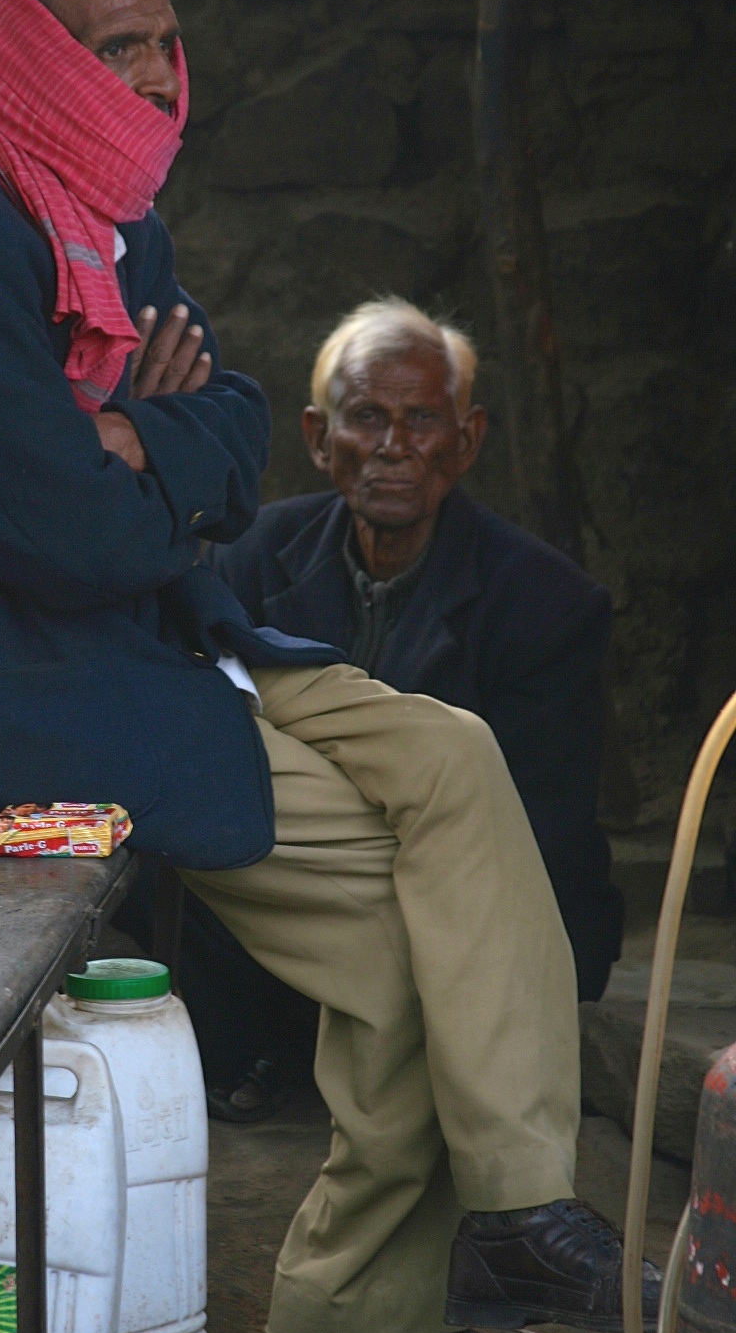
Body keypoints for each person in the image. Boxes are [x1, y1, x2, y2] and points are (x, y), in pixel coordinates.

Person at [0, 0, 658, 1333]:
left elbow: (238, 419)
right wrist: (150, 451)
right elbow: (61, 544)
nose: (154, 76)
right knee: (419, 958)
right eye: (113, 46)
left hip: (173, 631)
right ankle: (368, 1311)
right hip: (42, 691)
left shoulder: (105, 201)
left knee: (453, 756)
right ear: (26, 55)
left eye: (162, 39)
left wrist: (142, 439)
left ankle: (524, 1213)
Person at [191, 298, 626, 1119]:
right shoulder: (250, 559)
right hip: (307, 890)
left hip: (470, 892)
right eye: (367, 418)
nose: (393, 447)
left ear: (466, 442)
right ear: (320, 439)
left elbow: (542, 830)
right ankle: (258, 1047)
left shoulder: (547, 604)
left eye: (423, 418)